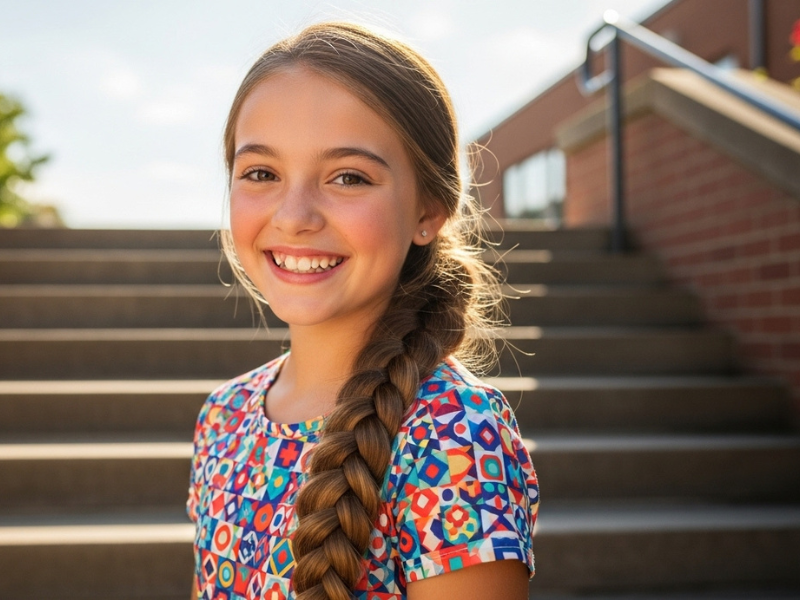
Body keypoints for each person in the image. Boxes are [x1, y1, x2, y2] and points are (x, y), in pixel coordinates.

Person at [186, 21, 539, 600]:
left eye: (348, 177)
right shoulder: (223, 418)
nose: (295, 215)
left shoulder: (453, 435)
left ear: (430, 208)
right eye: (261, 173)